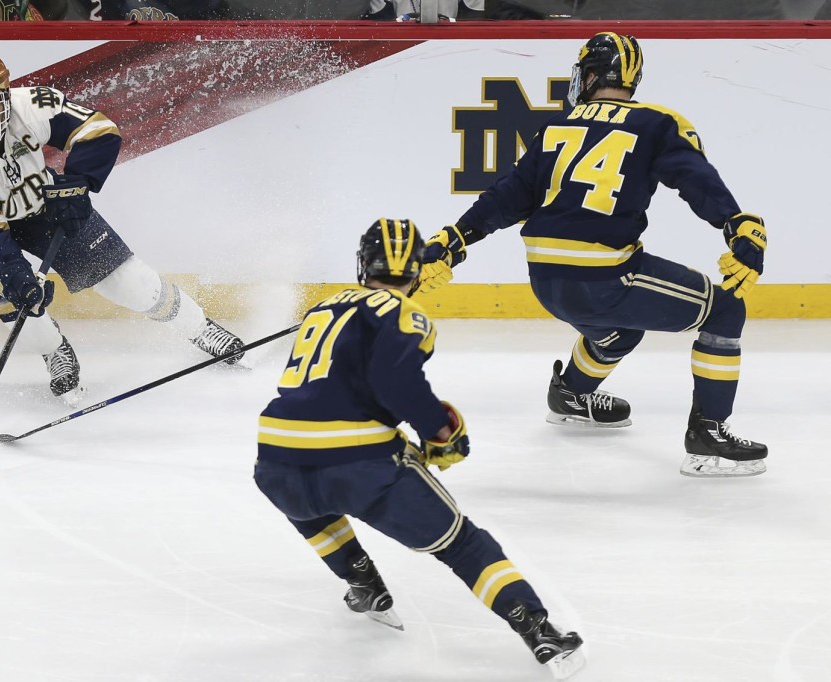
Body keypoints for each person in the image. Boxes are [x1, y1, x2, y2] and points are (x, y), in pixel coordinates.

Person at [418, 33, 768, 478]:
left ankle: (570, 394)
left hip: (546, 279)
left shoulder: (557, 126)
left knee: (620, 333)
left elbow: (508, 197)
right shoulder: (658, 122)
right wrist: (736, 225)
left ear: (590, 74)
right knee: (724, 311)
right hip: (605, 280)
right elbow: (695, 181)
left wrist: (454, 239)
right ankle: (709, 435)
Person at [253, 218, 585, 680]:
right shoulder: (409, 314)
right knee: (462, 543)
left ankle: (362, 582)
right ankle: (539, 629)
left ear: (361, 264)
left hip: (274, 456)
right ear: (416, 270)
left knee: (310, 497)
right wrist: (440, 431)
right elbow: (396, 382)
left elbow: (325, 390)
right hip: (359, 461)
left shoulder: (322, 307)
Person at [0, 53, 244, 406]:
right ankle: (53, 350)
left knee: (130, 284)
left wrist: (76, 185)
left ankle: (199, 328)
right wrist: (15, 271)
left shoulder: (31, 104)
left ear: (4, 98)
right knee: (15, 298)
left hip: (37, 203)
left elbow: (98, 130)